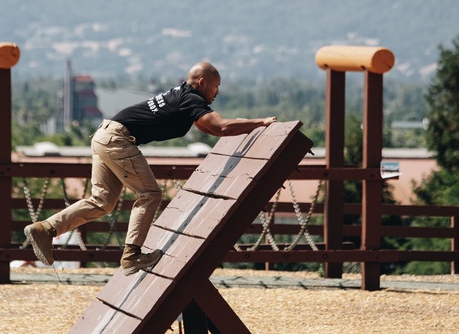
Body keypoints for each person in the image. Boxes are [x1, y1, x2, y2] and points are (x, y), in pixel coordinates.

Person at [24, 61, 277, 275]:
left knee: (102, 202)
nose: (217, 92)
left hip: (104, 135)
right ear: (202, 83)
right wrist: (261, 122)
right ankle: (132, 255)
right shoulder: (190, 99)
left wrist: (245, 125)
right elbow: (220, 127)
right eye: (216, 86)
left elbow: (209, 127)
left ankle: (45, 228)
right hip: (118, 139)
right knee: (150, 194)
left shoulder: (182, 95)